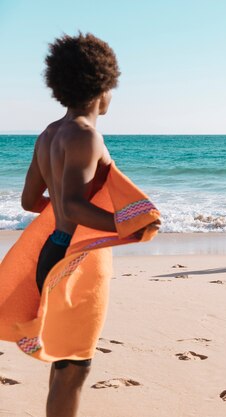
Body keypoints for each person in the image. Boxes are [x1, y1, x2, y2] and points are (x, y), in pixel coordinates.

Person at [8, 33, 159, 417]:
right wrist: (124, 225)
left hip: (55, 251)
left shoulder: (49, 135)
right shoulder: (85, 135)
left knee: (65, 361)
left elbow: (30, 202)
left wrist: (61, 212)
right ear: (102, 85)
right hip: (76, 260)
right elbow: (74, 207)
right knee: (76, 366)